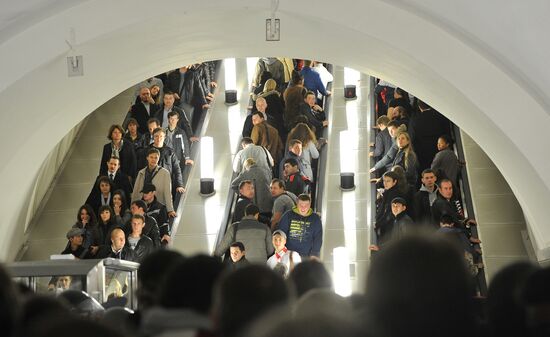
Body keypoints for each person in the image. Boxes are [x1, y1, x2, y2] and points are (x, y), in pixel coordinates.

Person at [408, 100, 450, 171]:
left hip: (423, 154)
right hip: (440, 150)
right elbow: (447, 132)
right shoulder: (440, 116)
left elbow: (412, 139)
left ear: (419, 107)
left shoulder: (414, 120)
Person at [133, 148, 176, 215]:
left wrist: (170, 210)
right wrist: (132, 206)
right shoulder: (141, 172)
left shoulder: (165, 173)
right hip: (142, 206)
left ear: (158, 159)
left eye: (156, 158)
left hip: (158, 207)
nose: (153, 160)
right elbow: (136, 191)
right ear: (147, 158)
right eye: (151, 157)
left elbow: (168, 192)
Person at [277, 194, 322, 258]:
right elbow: (280, 234)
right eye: (301, 205)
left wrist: (314, 254)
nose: (303, 208)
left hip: (307, 255)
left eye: (306, 205)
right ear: (297, 204)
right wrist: (281, 251)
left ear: (310, 205)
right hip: (288, 254)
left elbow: (318, 238)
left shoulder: (315, 218)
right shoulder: (288, 215)